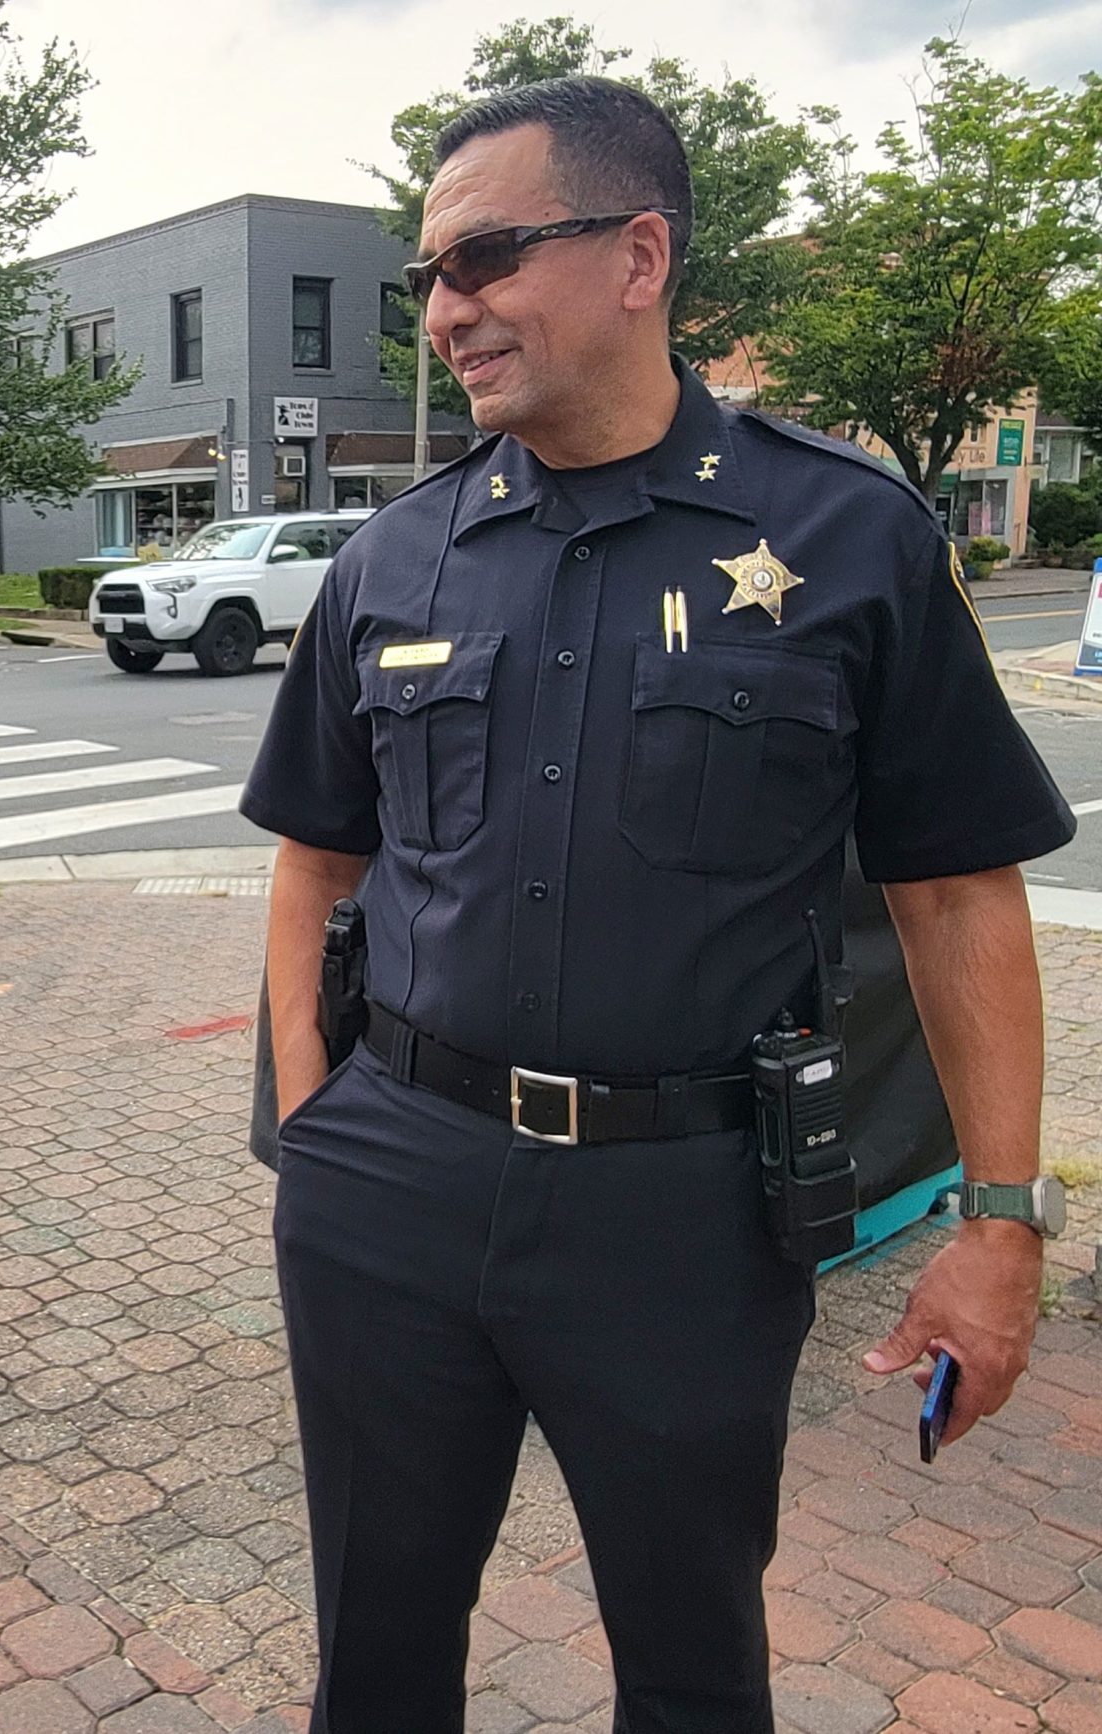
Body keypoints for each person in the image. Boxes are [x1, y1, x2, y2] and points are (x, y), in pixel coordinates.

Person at [243, 78, 1074, 1732]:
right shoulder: (389, 562)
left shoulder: (846, 535)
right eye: (429, 278)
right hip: (390, 1188)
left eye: (485, 258)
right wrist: (309, 1125)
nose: (449, 311)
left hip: (683, 1219)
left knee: (696, 1672)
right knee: (378, 1659)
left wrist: (1002, 1226)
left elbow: (960, 898)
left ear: (639, 255)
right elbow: (314, 860)